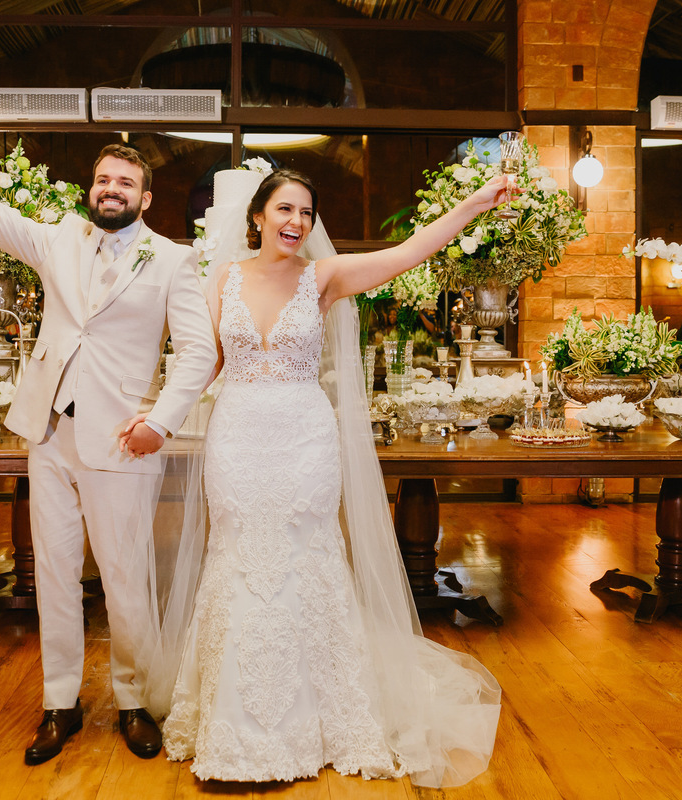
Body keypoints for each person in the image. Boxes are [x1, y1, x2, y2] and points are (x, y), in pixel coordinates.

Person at [130, 168, 505, 785]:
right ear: (256, 217)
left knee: (304, 560)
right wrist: (158, 419)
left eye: (306, 212)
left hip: (305, 438)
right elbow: (201, 364)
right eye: (284, 210)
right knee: (241, 558)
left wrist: (473, 205)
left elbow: (409, 252)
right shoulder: (222, 278)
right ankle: (236, 726)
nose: (296, 223)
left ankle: (319, 719)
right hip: (239, 438)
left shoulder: (322, 277)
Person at [0, 90, 217, 765]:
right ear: (91, 189)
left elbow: (199, 353)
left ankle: (133, 700)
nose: (112, 189)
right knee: (54, 576)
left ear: (145, 198)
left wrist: (160, 422)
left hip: (123, 440)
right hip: (49, 434)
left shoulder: (174, 261)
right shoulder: (59, 239)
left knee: (125, 579)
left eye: (126, 182)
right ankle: (59, 703)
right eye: (103, 179)